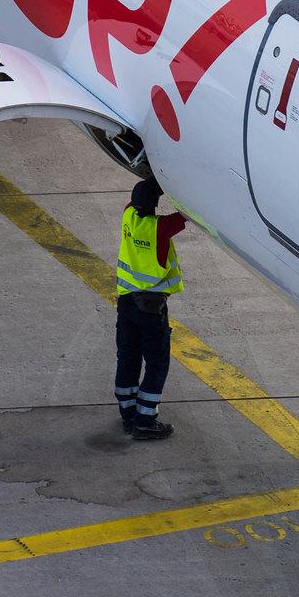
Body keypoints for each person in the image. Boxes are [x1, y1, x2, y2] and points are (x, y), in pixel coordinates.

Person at [113, 176, 185, 441]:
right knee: (157, 362)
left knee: (128, 356)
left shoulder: (128, 215)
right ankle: (145, 420)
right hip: (151, 308)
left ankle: (128, 413)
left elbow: (138, 200)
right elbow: (186, 214)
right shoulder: (160, 227)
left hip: (127, 302)